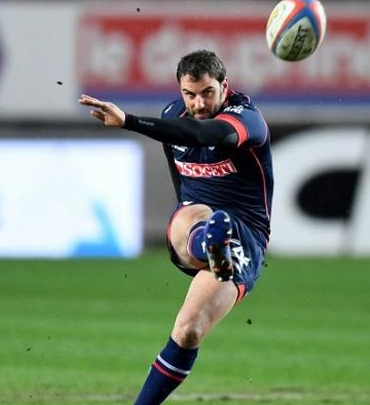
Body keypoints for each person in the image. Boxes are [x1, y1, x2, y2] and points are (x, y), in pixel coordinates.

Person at [78, 50, 273, 404]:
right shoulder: (173, 116)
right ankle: (211, 242)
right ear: (180, 91)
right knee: (189, 213)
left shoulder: (247, 118)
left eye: (208, 92)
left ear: (224, 86)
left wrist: (130, 121)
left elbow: (207, 135)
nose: (199, 103)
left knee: (188, 331)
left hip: (245, 234)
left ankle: (219, 240)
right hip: (196, 220)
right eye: (190, 94)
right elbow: (181, 182)